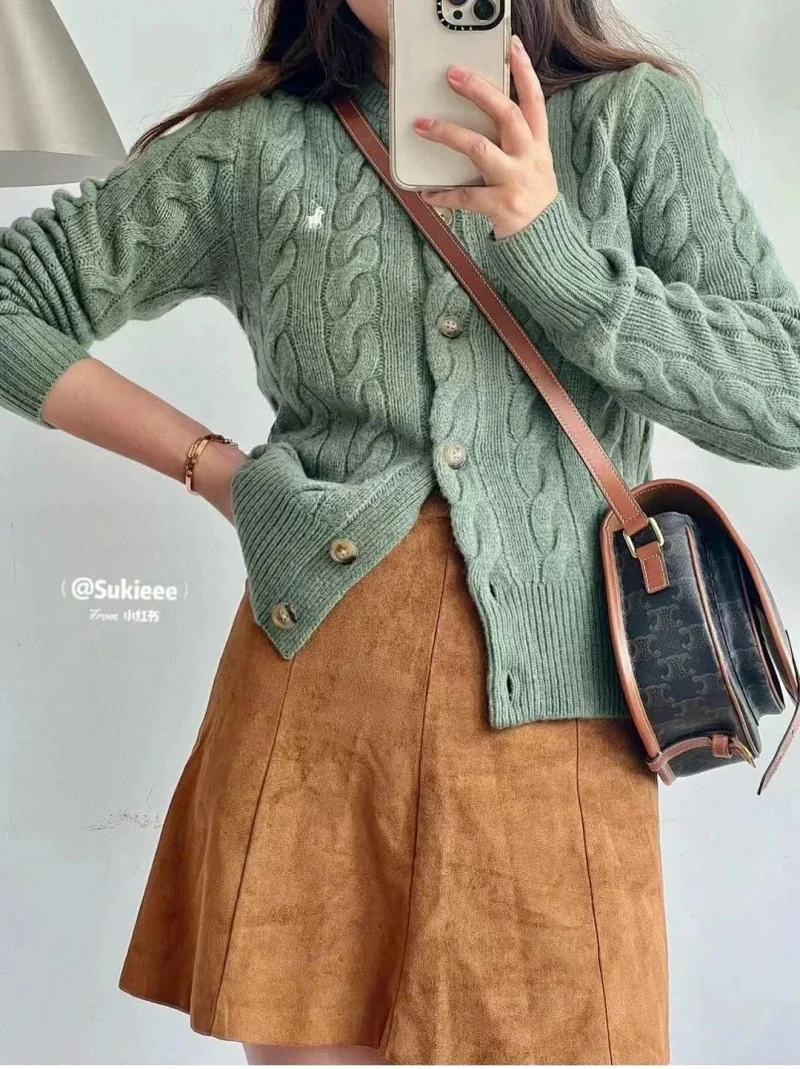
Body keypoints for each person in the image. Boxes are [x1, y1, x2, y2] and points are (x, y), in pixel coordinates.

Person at [2, 0, 800, 1064]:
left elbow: (783, 399)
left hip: (556, 725)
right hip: (317, 707)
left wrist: (553, 250)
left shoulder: (631, 120)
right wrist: (214, 471)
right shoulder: (255, 145)